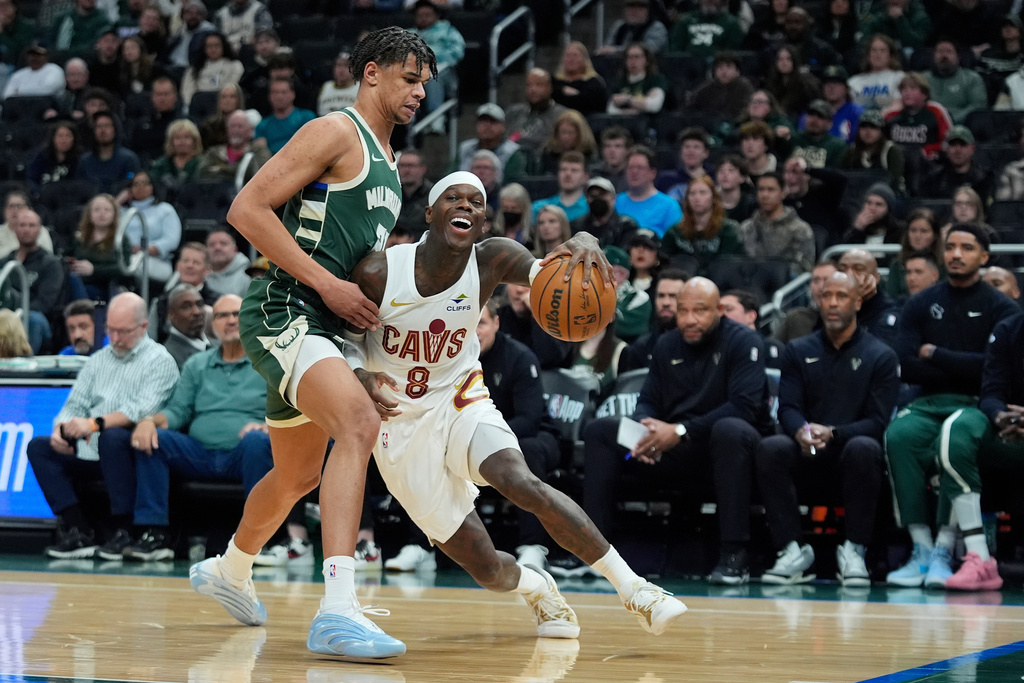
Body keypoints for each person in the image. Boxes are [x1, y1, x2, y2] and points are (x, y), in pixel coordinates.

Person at [347, 171, 686, 638]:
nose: (466, 206)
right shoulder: (379, 271)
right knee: (487, 569)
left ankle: (634, 588)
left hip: (459, 398)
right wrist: (358, 373)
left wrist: (584, 237)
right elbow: (342, 341)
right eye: (453, 198)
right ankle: (535, 585)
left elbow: (556, 272)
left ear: (484, 221)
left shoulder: (493, 259)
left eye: (476, 202)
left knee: (520, 481)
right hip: (398, 420)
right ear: (430, 213)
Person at [188, 27, 438, 660]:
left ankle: (232, 569)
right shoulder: (335, 131)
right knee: (357, 426)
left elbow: (358, 276)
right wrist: (329, 284)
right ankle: (338, 608)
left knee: (297, 472)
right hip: (283, 307)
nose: (419, 92)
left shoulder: (389, 165)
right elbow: (246, 210)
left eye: (425, 84)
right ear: (372, 72)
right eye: (410, 78)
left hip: (327, 324)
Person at [581, 277, 772, 584]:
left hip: (721, 450)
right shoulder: (668, 343)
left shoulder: (744, 342)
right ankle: (596, 552)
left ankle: (734, 555)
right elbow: (648, 400)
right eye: (683, 311)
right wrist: (646, 432)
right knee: (601, 431)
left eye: (700, 311)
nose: (689, 320)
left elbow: (744, 406)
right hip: (671, 449)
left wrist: (681, 430)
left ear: (720, 310)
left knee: (730, 429)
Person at [884, 223, 1020, 589]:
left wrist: (936, 354)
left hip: (977, 401)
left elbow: (991, 369)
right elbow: (906, 363)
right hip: (927, 400)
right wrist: (961, 363)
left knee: (952, 437)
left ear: (984, 256)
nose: (956, 254)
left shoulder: (1001, 307)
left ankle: (945, 548)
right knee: (899, 434)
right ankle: (922, 549)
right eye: (951, 247)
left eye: (967, 248)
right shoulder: (922, 302)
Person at [756, 271, 899, 585]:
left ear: (858, 302)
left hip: (850, 451)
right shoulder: (797, 349)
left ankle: (855, 550)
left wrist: (834, 434)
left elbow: (878, 421)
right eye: (826, 296)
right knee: (770, 448)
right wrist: (801, 431)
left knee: (865, 447)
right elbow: (789, 407)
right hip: (805, 447)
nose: (833, 303)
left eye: (841, 296)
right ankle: (792, 550)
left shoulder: (880, 355)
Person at [25, 292, 178, 559]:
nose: (115, 338)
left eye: (123, 331)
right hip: (89, 448)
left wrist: (94, 424)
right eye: (110, 330)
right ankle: (78, 530)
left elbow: (141, 409)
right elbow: (73, 405)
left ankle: (124, 530)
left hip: (132, 450)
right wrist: (60, 429)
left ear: (143, 327)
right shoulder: (98, 360)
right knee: (39, 447)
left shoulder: (160, 360)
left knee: (113, 436)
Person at [0, 209, 64, 353]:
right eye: (22, 225)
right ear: (15, 229)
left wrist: (15, 317)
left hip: (35, 318)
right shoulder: (4, 262)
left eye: (31, 225)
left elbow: (45, 303)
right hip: (5, 315)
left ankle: (25, 367)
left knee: (33, 320)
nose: (26, 230)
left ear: (39, 230)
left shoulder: (50, 263)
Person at [661, 176, 744, 276]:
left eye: (703, 193)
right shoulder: (675, 231)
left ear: (713, 198)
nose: (697, 198)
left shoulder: (728, 229)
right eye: (692, 193)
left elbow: (729, 266)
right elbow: (665, 262)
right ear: (687, 199)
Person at [740, 171, 815, 277]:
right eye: (761, 189)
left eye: (771, 190)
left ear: (783, 192)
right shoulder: (746, 228)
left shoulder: (800, 229)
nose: (765, 195)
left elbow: (804, 269)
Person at [408, 0, 463, 134]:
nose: (424, 18)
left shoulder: (448, 30)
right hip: (415, 72)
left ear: (436, 16)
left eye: (428, 15)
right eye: (420, 15)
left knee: (432, 74)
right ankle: (408, 120)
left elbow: (458, 51)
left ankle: (437, 119)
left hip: (444, 72)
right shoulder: (408, 34)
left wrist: (431, 59)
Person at [618, 268, 688, 372]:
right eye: (661, 296)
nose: (666, 302)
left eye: (673, 296)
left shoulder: (697, 343)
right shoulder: (642, 346)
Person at [121, 170, 182, 284]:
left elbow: (172, 240)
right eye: (136, 183)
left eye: (145, 183)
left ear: (153, 186)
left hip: (157, 261)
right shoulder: (122, 211)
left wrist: (145, 249)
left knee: (133, 263)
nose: (140, 187)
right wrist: (119, 200)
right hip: (125, 256)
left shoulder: (165, 209)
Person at [837, 248, 900, 348]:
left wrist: (853, 301)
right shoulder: (831, 308)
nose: (848, 275)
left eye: (858, 269)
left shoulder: (889, 312)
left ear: (876, 278)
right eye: (842, 270)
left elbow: (875, 356)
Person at [615, 145, 682, 238]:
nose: (634, 172)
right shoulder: (615, 202)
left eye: (640, 168)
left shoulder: (669, 206)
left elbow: (675, 241)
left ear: (653, 173)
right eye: (630, 167)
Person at [453, 103, 528, 186]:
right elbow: (451, 178)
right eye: (483, 121)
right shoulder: (465, 148)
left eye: (493, 121)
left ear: (503, 126)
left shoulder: (512, 151)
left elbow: (514, 185)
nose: (487, 125)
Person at [885, 73, 952, 163]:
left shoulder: (936, 111)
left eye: (913, 89)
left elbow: (948, 141)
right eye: (903, 89)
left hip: (928, 163)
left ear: (924, 94)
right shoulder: (892, 115)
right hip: (897, 162)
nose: (907, 93)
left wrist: (926, 151)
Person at [505, 69, 569, 161]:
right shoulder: (514, 113)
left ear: (550, 88)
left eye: (538, 85)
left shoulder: (562, 115)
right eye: (529, 85)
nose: (533, 89)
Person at [840, 109, 906, 196]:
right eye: (863, 126)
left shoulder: (891, 151)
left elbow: (894, 180)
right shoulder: (852, 150)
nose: (868, 131)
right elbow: (842, 175)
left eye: (873, 127)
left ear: (881, 131)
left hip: (887, 196)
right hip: (856, 195)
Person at [195, 109, 271, 184]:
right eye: (232, 126)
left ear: (250, 130)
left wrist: (220, 169)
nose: (236, 130)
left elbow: (257, 173)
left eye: (240, 126)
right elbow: (202, 173)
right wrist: (237, 170)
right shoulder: (214, 152)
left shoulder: (258, 151)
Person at [920, 126, 993, 203]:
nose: (957, 150)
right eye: (953, 144)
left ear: (972, 149)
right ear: (947, 149)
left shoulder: (984, 179)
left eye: (963, 144)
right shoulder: (935, 180)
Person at [77, 111, 141, 195]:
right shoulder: (85, 161)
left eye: (107, 126)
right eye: (98, 126)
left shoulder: (128, 159)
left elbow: (132, 187)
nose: (103, 130)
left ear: (115, 128)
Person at [886, 207, 942, 301]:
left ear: (935, 235)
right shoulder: (897, 265)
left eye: (924, 231)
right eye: (913, 230)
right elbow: (892, 298)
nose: (918, 236)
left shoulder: (944, 264)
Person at [925, 39, 987, 126]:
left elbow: (977, 107)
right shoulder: (922, 79)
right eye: (940, 51)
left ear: (958, 57)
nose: (944, 55)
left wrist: (948, 119)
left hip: (962, 127)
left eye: (949, 51)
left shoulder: (972, 78)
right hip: (928, 126)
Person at [571, 176, 638, 250]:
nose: (597, 199)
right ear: (587, 199)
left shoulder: (626, 226)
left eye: (602, 194)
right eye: (593, 195)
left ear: (613, 198)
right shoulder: (577, 226)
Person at [720, 288, 783, 367]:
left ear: (750, 316)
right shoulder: (714, 350)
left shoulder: (772, 349)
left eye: (728, 309)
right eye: (719, 310)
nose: (721, 315)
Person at [253, 76, 316, 154]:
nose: (279, 97)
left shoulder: (306, 117)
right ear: (270, 96)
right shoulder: (262, 125)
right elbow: (260, 151)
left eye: (284, 92)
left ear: (293, 94)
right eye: (275, 92)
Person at [687, 51, 755, 121]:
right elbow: (690, 107)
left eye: (729, 67)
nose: (724, 71)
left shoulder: (744, 88)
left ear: (737, 71)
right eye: (720, 67)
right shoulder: (707, 88)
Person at [668, 0, 744, 60]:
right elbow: (676, 52)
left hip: (719, 68)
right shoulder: (685, 21)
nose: (710, 0)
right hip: (688, 68)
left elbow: (731, 54)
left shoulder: (732, 23)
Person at [847, 34, 905, 112]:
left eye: (883, 50)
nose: (878, 54)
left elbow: (898, 105)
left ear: (890, 55)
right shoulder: (853, 81)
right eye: (874, 50)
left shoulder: (899, 77)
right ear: (868, 55)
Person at [551, 40, 607, 118]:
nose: (571, 59)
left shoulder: (595, 82)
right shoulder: (554, 82)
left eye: (575, 55)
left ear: (585, 60)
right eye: (568, 55)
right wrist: (564, 91)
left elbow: (589, 102)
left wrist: (565, 94)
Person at [161, 283, 211, 369]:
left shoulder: (216, 344)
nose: (197, 312)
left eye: (199, 304)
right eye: (186, 306)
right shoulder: (168, 358)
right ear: (171, 315)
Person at [657, 127, 712, 203]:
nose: (691, 151)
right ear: (681, 152)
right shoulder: (665, 179)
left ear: (706, 153)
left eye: (696, 147)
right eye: (687, 146)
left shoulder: (714, 178)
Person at [534, 110, 597, 176]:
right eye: (563, 132)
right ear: (556, 133)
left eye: (570, 133)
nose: (566, 137)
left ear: (580, 134)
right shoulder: (549, 153)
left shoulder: (589, 153)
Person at [27, 121, 83, 195]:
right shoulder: (41, 157)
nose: (64, 140)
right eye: (60, 136)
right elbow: (32, 179)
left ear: (74, 139)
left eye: (68, 136)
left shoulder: (80, 159)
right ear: (53, 138)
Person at [531, 151, 589, 222]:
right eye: (563, 169)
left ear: (585, 178)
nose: (568, 174)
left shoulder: (590, 209)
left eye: (574, 170)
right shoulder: (538, 208)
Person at [596, 0, 668, 56]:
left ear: (647, 11)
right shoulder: (619, 26)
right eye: (631, 6)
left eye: (640, 7)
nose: (634, 11)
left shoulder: (657, 28)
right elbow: (607, 48)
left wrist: (615, 51)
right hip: (619, 69)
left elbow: (649, 50)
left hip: (649, 71)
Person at [790, 99, 847, 169]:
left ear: (829, 124)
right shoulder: (793, 138)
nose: (814, 119)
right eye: (811, 114)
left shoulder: (837, 145)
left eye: (820, 116)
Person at [148, 119, 204, 191]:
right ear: (171, 142)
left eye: (187, 137)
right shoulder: (161, 164)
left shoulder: (203, 163)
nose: (182, 141)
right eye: (177, 138)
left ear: (194, 141)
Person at [0, 190, 54, 260]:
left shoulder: (40, 231)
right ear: (5, 211)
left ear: (29, 209)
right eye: (11, 206)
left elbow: (47, 259)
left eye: (19, 206)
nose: (15, 210)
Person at [199, 83, 249, 149]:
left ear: (239, 100)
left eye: (232, 96)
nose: (227, 101)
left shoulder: (248, 123)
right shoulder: (208, 127)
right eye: (224, 97)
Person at [205, 228, 251, 297]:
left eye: (223, 243)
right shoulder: (201, 276)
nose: (217, 247)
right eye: (212, 245)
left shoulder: (248, 277)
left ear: (235, 249)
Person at [318, 50, 358, 117]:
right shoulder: (325, 87)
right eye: (339, 65)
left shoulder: (361, 87)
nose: (342, 70)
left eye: (346, 65)